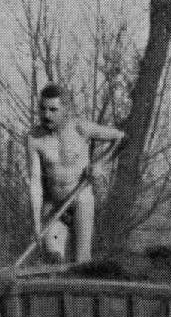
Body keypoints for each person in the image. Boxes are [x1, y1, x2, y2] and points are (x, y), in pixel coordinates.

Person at [27, 83, 125, 264]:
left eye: (53, 110)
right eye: (43, 109)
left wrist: (100, 164)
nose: (46, 115)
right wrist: (36, 222)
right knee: (53, 258)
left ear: (65, 109)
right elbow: (35, 183)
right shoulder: (34, 138)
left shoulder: (80, 128)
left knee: (81, 261)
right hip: (54, 204)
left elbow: (120, 137)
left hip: (81, 200)